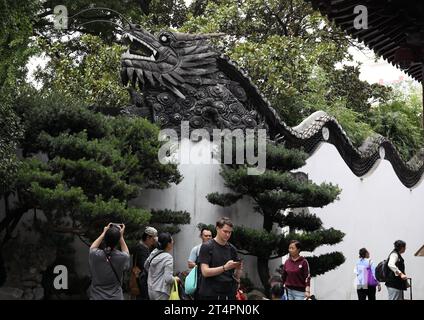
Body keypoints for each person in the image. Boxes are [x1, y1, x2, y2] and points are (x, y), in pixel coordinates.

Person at [198, 217, 242, 300]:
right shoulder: (207, 246)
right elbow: (205, 272)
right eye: (225, 231)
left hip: (228, 293)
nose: (228, 235)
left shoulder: (232, 249)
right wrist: (225, 267)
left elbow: (236, 276)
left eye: (230, 232)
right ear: (217, 229)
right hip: (210, 293)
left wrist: (238, 270)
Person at [88, 223, 130, 300]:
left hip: (97, 296)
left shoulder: (95, 255)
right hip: (116, 297)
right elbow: (126, 252)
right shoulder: (122, 257)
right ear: (117, 240)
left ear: (105, 239)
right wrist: (121, 237)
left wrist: (104, 233)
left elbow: (92, 247)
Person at [144, 232, 178, 300]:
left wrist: (154, 272)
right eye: (172, 240)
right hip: (161, 292)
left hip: (151, 289)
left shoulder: (154, 252)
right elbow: (168, 279)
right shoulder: (168, 257)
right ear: (168, 244)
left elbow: (145, 266)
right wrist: (175, 279)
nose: (173, 242)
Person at [132, 226, 158, 299]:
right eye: (153, 240)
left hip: (142, 281)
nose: (153, 242)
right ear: (147, 238)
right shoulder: (142, 248)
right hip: (141, 282)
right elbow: (145, 266)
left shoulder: (143, 246)